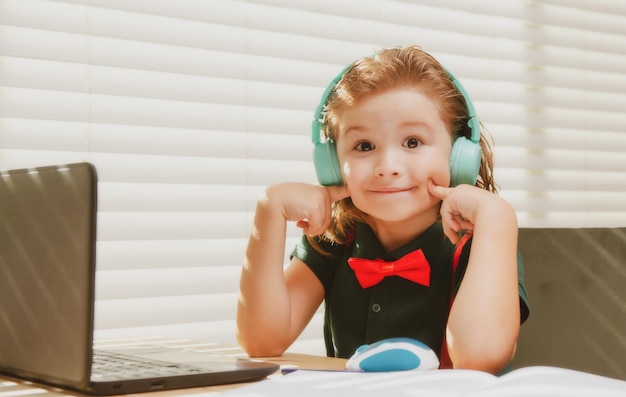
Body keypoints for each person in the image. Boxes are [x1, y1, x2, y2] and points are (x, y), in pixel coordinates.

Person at [236, 45, 529, 374]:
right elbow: (262, 342)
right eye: (364, 146)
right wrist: (268, 211)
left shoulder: (481, 244)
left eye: (413, 142)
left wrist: (497, 216)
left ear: (460, 154)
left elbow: (480, 358)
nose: (387, 167)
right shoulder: (335, 238)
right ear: (332, 164)